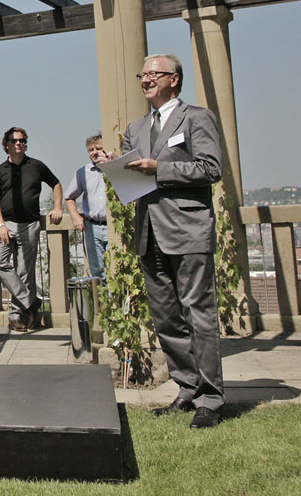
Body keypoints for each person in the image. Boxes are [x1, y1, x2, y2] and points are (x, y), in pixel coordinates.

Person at [120, 53, 225, 429]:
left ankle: (211, 399)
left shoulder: (197, 118)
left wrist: (158, 168)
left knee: (199, 314)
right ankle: (187, 387)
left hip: (188, 229)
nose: (145, 79)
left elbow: (211, 168)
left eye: (153, 74)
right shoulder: (136, 128)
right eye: (142, 74)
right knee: (166, 318)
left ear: (174, 79)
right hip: (149, 231)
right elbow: (134, 179)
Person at [0, 127, 63, 332]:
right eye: (14, 141)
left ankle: (16, 316)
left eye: (22, 140)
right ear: (7, 145)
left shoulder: (36, 166)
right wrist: (1, 225)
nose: (19, 143)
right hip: (6, 225)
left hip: (29, 225)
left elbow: (56, 184)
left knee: (24, 272)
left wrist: (58, 207)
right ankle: (31, 302)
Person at [64, 133, 109, 281]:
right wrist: (75, 216)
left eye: (98, 148)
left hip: (113, 227)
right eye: (91, 150)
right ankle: (104, 303)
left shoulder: (115, 168)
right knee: (98, 272)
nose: (94, 152)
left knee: (116, 267)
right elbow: (69, 196)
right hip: (93, 228)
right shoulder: (83, 172)